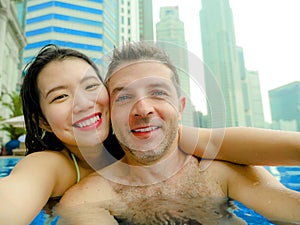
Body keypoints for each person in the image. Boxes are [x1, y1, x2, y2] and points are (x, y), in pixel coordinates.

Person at [0, 44, 300, 225]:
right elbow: (12, 200)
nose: (82, 103)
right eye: (60, 97)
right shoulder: (58, 171)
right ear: (44, 122)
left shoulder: (185, 149)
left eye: (91, 86)